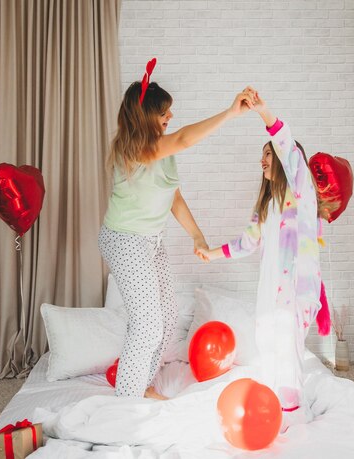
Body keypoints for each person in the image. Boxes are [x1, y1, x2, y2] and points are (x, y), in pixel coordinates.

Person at [99, 59, 254, 400]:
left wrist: (197, 236)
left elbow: (174, 197)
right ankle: (127, 400)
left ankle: (142, 384)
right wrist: (229, 113)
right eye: (163, 113)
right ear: (144, 117)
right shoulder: (135, 148)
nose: (170, 118)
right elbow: (184, 139)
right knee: (148, 323)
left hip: (150, 241)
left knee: (167, 320)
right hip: (124, 241)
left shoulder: (163, 150)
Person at [198, 91, 324, 427]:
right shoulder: (267, 206)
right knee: (268, 345)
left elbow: (286, 147)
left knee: (287, 350)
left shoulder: (302, 195)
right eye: (262, 155)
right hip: (270, 292)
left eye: (268, 154)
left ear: (284, 160)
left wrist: (263, 112)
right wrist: (212, 253)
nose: (263, 160)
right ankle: (276, 408)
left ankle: (295, 416)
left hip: (296, 291)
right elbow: (246, 242)